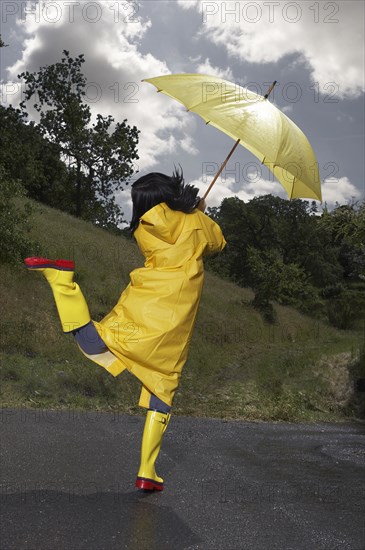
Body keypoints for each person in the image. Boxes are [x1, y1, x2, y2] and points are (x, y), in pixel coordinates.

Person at [24, 168, 226, 491]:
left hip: (145, 301)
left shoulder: (145, 225)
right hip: (175, 317)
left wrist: (190, 213)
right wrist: (200, 212)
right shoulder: (197, 223)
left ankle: (63, 284)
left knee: (96, 342)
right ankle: (147, 469)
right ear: (171, 190)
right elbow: (218, 243)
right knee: (163, 385)